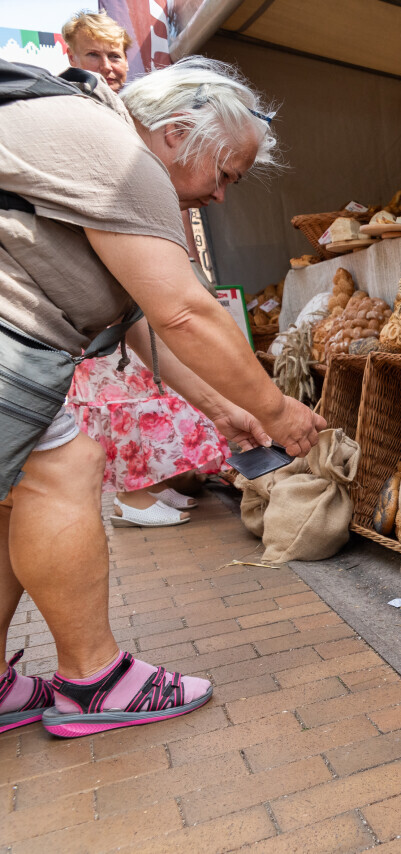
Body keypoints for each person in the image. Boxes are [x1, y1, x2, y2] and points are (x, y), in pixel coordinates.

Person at [0, 56, 324, 738]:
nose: (221, 197)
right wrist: (277, 410)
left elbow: (144, 321)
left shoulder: (103, 145)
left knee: (17, 497)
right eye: (226, 174)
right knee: (65, 471)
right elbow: (183, 313)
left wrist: (225, 409)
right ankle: (94, 681)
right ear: (176, 133)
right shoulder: (124, 159)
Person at [62, 11, 233, 528]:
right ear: (70, 55)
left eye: (114, 55)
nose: (107, 65)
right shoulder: (83, 116)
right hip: (96, 298)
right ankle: (131, 497)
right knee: (122, 398)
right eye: (93, 55)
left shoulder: (132, 115)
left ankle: (151, 485)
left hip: (130, 287)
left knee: (150, 387)